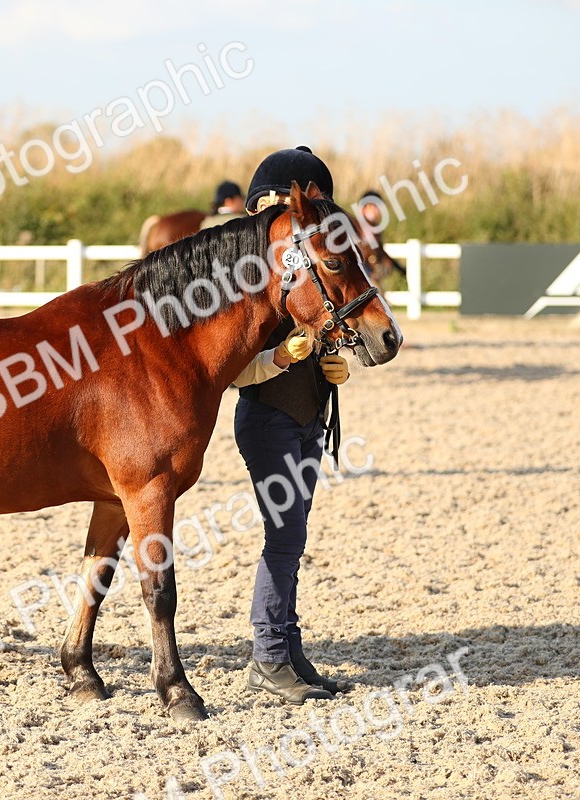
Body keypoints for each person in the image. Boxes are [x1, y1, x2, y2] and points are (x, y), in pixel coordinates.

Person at [231, 146, 356, 704]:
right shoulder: (253, 288)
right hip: (268, 418)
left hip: (308, 416)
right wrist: (281, 360)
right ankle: (269, 657)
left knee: (293, 539)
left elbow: (331, 330)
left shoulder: (302, 284)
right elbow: (233, 369)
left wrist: (333, 366)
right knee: (282, 540)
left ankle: (288, 648)